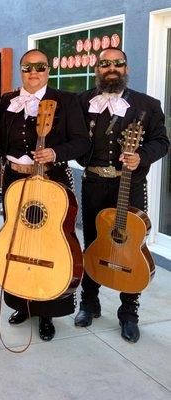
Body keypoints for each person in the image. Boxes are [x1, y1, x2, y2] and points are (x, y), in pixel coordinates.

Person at [75, 48, 169, 343]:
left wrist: (141, 156)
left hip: (129, 186)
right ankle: (89, 303)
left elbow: (162, 142)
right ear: (97, 68)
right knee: (92, 243)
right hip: (93, 184)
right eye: (105, 64)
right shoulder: (82, 102)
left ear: (126, 67)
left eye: (118, 63)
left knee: (131, 247)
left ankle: (129, 313)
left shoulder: (146, 105)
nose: (111, 68)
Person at [0, 49, 90, 341]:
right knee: (18, 239)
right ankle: (21, 305)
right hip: (14, 182)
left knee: (52, 243)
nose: (33, 72)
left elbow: (82, 142)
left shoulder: (67, 100)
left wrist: (55, 152)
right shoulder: (6, 101)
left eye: (39, 67)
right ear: (21, 71)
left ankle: (47, 312)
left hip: (53, 181)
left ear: (48, 69)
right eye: (27, 67)